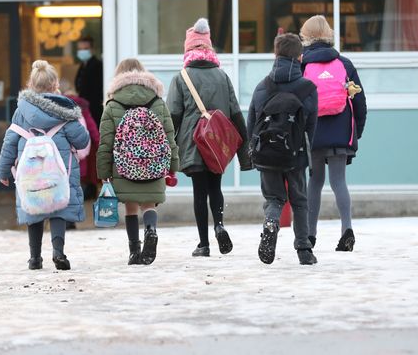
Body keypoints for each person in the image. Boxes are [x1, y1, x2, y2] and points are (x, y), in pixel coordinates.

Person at [166, 18, 251, 258]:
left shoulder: (181, 77)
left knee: (199, 192)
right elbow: (235, 113)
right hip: (218, 145)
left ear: (189, 49)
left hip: (194, 144)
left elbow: (173, 115)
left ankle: (203, 244)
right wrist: (245, 154)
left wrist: (167, 149)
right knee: (216, 187)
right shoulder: (222, 76)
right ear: (208, 48)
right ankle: (220, 225)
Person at [0, 60, 89, 270]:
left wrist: (3, 170)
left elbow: (10, 141)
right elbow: (82, 141)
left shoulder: (21, 112)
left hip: (31, 175)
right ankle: (58, 252)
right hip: (60, 173)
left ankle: (35, 258)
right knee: (58, 209)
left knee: (34, 208)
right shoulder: (66, 111)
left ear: (30, 83)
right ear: (55, 84)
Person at [97, 58, 179, 265]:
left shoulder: (113, 105)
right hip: (154, 164)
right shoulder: (157, 102)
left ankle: (134, 251)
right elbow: (169, 137)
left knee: (131, 207)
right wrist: (173, 165)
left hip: (124, 166)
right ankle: (151, 229)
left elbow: (105, 143)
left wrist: (103, 171)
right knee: (149, 203)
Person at [247, 32, 318, 265]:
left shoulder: (262, 86)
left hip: (267, 153)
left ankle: (270, 223)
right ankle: (304, 250)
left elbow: (252, 121)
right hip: (295, 154)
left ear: (275, 54)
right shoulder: (308, 88)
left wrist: (252, 150)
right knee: (299, 200)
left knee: (274, 199)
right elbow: (311, 125)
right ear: (300, 57)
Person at [300, 15, 367, 251]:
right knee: (339, 182)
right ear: (329, 34)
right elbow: (359, 102)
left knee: (315, 182)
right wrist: (356, 130)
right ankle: (347, 230)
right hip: (340, 130)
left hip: (314, 132)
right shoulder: (345, 64)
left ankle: (309, 235)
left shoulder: (302, 64)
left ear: (306, 37)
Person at [74, 36, 103, 127]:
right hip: (85, 108)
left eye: (85, 49)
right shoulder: (83, 65)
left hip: (93, 110)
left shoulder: (97, 66)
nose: (82, 51)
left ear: (92, 49)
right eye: (80, 49)